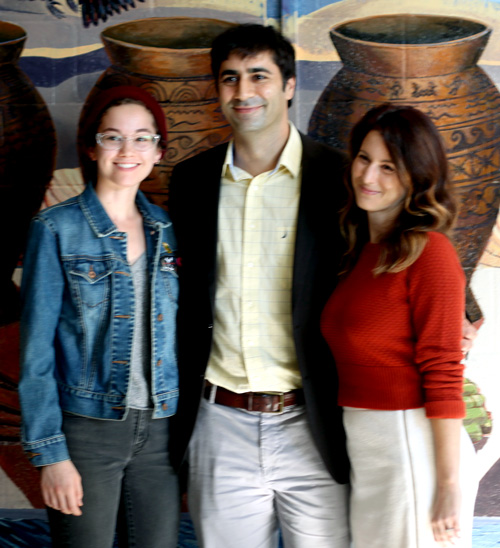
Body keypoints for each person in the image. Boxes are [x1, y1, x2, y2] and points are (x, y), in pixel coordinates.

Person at [168, 23, 350, 548]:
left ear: (289, 85)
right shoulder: (192, 181)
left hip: (313, 424)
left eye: (258, 76)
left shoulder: (337, 177)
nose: (243, 91)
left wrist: (454, 307)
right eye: (229, 78)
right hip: (219, 423)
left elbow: (388, 252)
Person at [18, 85, 180, 548]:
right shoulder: (55, 228)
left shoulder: (167, 230)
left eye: (142, 138)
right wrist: (51, 455)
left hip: (160, 434)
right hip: (86, 433)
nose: (128, 151)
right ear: (92, 148)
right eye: (113, 137)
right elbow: (35, 352)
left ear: (158, 151)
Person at [320, 103, 478, 548]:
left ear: (416, 177)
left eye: (388, 166)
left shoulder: (431, 253)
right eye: (364, 158)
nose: (368, 176)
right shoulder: (362, 253)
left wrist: (448, 485)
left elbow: (443, 372)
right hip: (369, 450)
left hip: (411, 449)